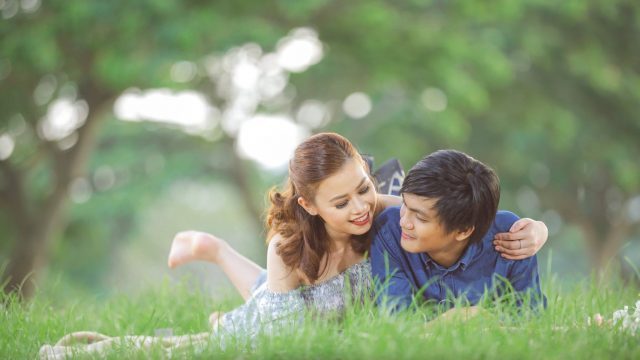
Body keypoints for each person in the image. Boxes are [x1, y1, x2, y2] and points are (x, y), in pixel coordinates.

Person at [39, 134, 548, 358]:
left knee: (259, 298)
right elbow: (277, 336)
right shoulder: (289, 244)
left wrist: (537, 229)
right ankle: (211, 256)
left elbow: (436, 207)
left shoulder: (387, 214)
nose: (361, 209)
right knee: (192, 345)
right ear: (309, 205)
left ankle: (214, 255)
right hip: (277, 325)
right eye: (341, 201)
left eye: (365, 189)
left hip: (325, 311)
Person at [370, 149, 546, 313]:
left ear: (463, 230)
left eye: (421, 218)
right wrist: (459, 318)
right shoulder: (389, 230)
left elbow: (530, 316)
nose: (404, 222)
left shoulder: (513, 238)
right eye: (404, 205)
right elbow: (398, 319)